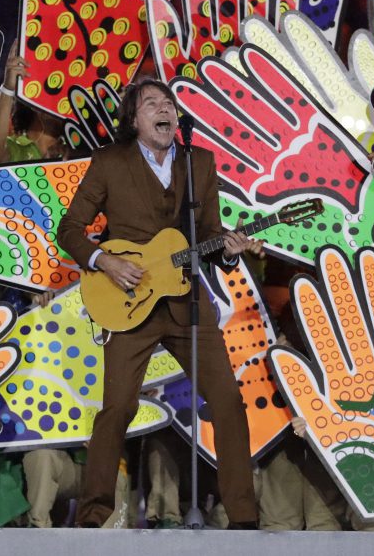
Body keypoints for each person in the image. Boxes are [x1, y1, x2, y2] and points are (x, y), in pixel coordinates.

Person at [58, 79, 260, 528]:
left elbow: (207, 231)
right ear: (135, 121)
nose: (164, 109)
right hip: (127, 302)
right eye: (152, 104)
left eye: (168, 103)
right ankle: (93, 518)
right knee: (118, 409)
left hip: (186, 301)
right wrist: (104, 260)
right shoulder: (111, 162)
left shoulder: (199, 162)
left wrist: (226, 248)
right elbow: (70, 228)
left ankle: (244, 520)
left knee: (228, 401)